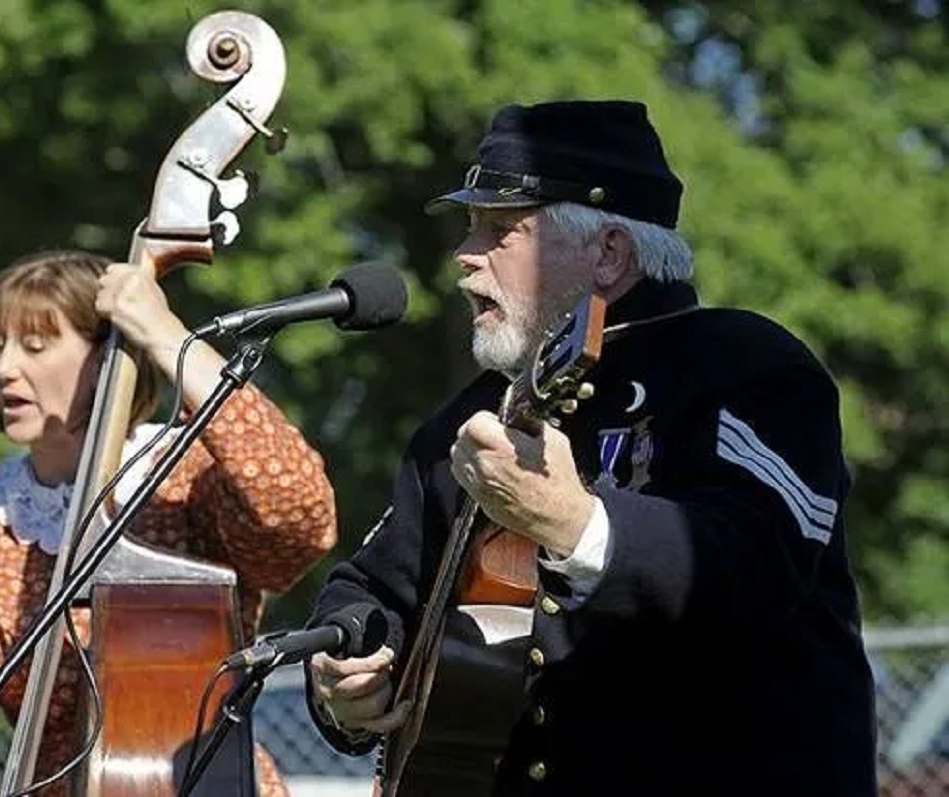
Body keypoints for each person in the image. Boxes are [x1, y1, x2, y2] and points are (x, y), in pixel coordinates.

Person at [305, 101, 878, 795]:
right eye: (470, 227)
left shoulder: (746, 365)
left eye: (500, 230)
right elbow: (371, 587)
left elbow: (758, 568)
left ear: (607, 252)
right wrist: (348, 667)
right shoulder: (471, 415)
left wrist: (575, 524)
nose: (464, 256)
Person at [0, 249, 338, 796]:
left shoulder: (185, 476)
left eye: (34, 346)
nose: (3, 367)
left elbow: (301, 516)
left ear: (107, 357)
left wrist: (165, 336)